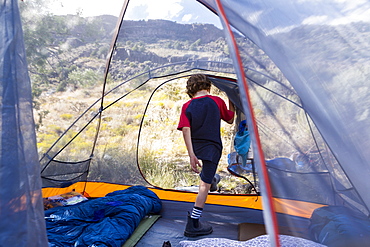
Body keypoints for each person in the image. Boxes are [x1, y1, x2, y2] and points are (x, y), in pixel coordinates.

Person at [177, 74, 235, 237]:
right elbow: (230, 119)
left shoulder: (187, 105)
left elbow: (186, 129)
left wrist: (191, 155)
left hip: (196, 147)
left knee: (208, 178)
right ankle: (193, 224)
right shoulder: (217, 101)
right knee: (205, 185)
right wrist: (231, 98)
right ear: (208, 87)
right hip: (212, 148)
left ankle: (212, 179)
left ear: (190, 91)